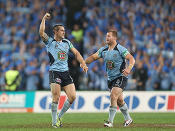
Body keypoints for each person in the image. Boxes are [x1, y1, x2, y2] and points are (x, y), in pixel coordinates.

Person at [39, 13, 88, 128]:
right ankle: (54, 122)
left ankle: (59, 117)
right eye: (61, 30)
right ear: (55, 32)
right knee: (56, 97)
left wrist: (83, 63)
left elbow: (76, 52)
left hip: (65, 72)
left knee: (72, 97)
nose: (63, 32)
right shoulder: (50, 42)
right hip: (54, 71)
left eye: (64, 30)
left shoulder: (67, 42)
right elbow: (41, 33)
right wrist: (43, 19)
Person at [85, 30, 135, 127]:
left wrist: (129, 68)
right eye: (106, 36)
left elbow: (131, 58)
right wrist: (83, 62)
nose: (107, 38)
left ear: (115, 38)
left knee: (113, 95)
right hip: (110, 79)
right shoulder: (103, 50)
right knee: (119, 100)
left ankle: (110, 122)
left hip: (121, 77)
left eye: (109, 36)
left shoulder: (120, 49)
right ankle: (128, 119)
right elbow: (93, 57)